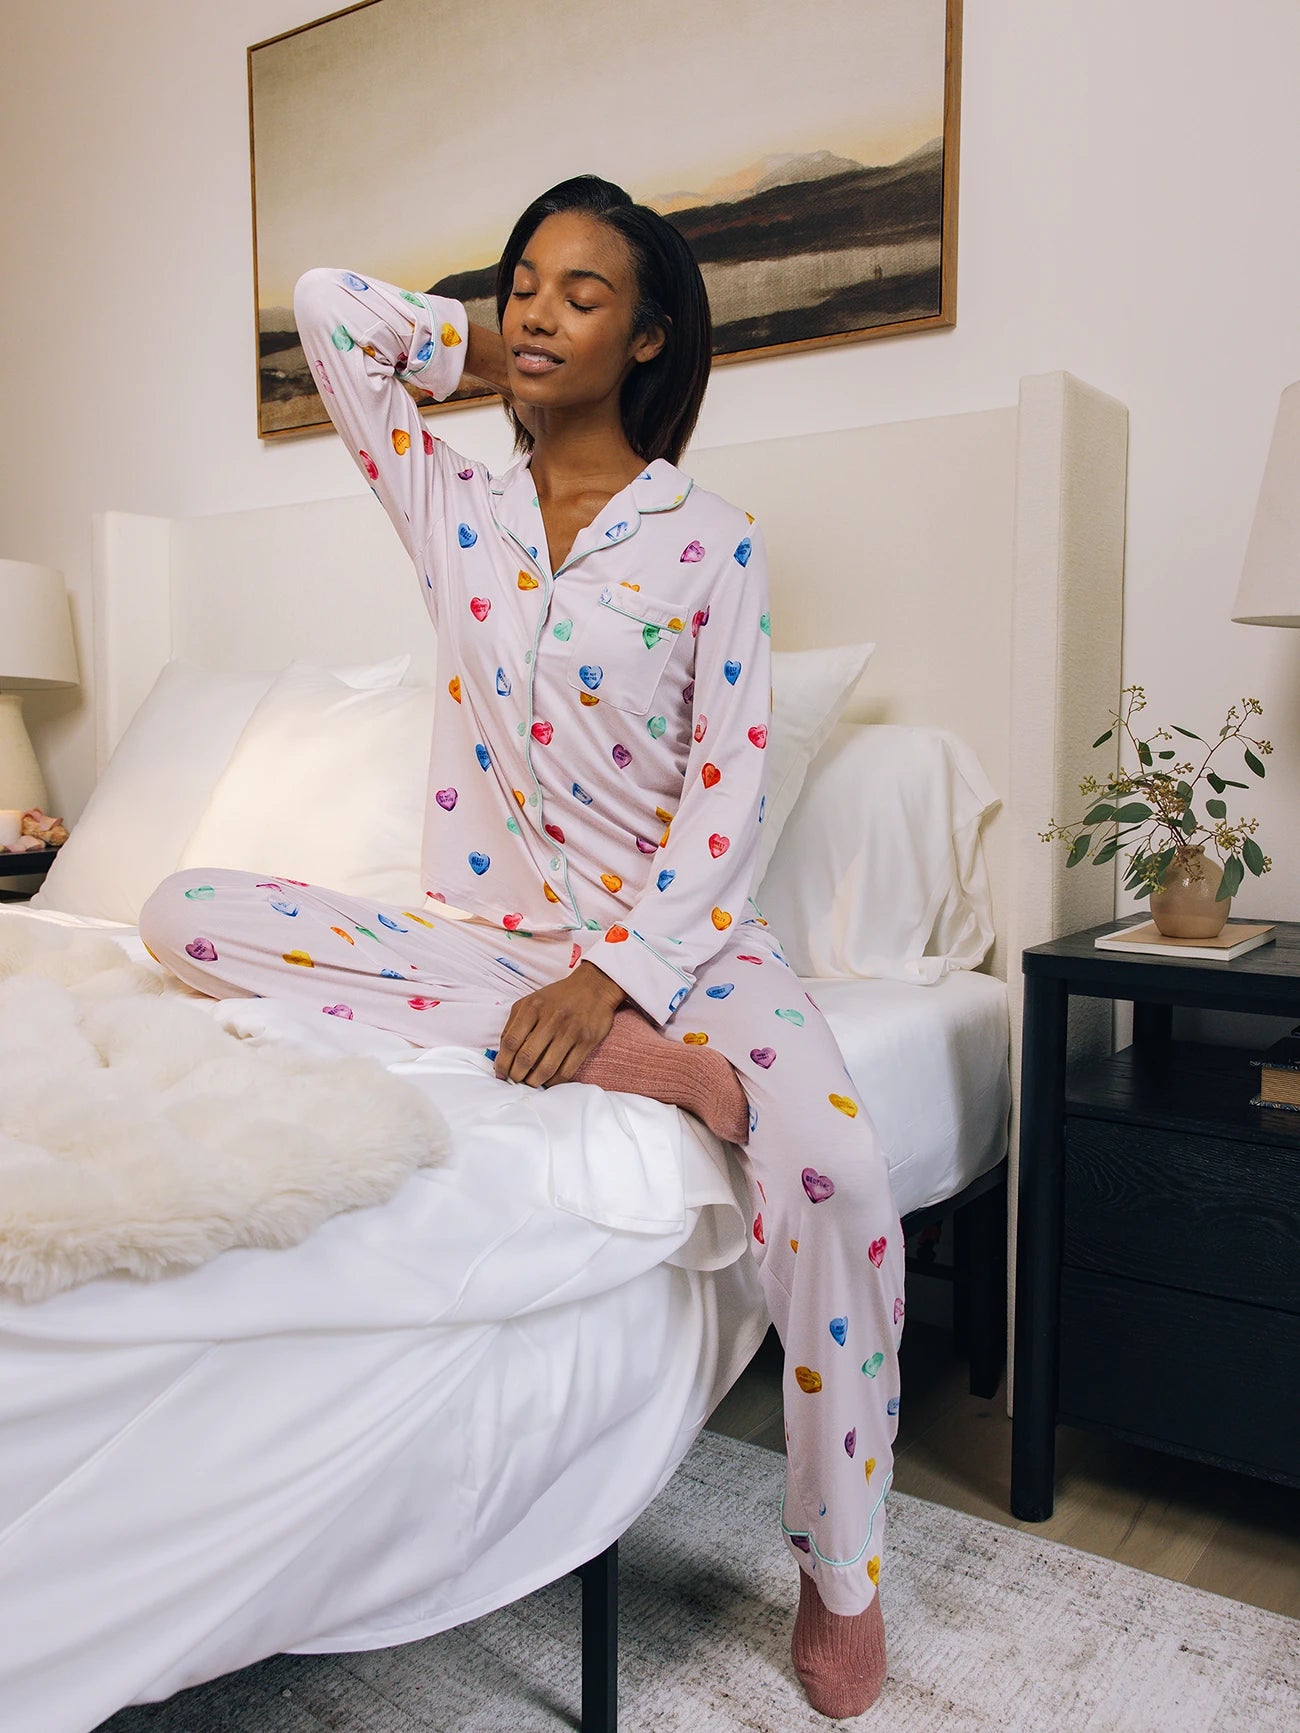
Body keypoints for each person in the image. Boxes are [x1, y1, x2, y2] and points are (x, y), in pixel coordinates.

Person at [139, 175, 905, 1719]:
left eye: (582, 294)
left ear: (652, 336)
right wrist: (499, 355)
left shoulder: (713, 543)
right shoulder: (453, 504)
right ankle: (638, 1074)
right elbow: (332, 314)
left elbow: (727, 798)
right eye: (524, 285)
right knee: (179, 913)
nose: (541, 312)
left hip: (685, 952)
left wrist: (617, 973)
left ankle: (844, 1570)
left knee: (834, 1172)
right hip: (486, 943)